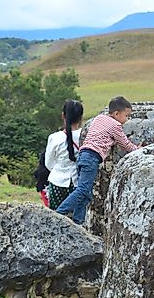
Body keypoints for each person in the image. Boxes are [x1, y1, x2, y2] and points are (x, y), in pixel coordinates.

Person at [56, 96, 140, 225]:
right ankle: (60, 212)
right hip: (92, 157)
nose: (127, 120)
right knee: (83, 190)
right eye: (126, 116)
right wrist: (137, 149)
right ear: (117, 114)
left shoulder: (99, 118)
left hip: (83, 155)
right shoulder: (116, 125)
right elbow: (125, 144)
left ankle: (78, 221)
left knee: (86, 192)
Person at [44, 100, 84, 210]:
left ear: (63, 115)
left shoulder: (54, 138)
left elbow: (48, 163)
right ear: (81, 118)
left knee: (56, 216)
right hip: (77, 184)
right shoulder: (85, 136)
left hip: (57, 182)